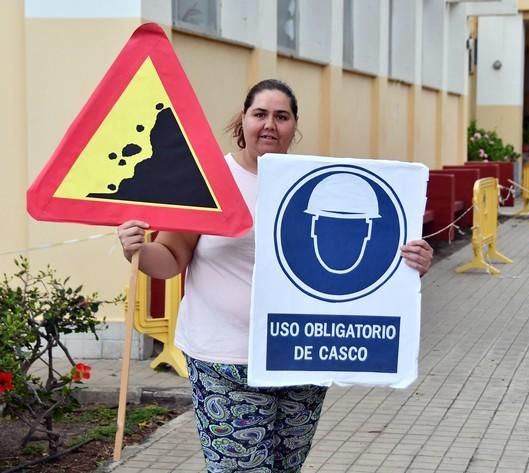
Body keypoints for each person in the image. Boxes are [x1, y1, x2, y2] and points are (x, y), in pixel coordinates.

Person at [117, 79, 434, 473]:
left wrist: (410, 264)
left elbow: (365, 263)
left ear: (293, 126)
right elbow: (169, 259)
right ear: (244, 120)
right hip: (224, 360)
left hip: (300, 358)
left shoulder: (314, 184)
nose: (270, 124)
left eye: (281, 116)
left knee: (286, 468)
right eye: (260, 114)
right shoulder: (208, 182)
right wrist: (137, 251)